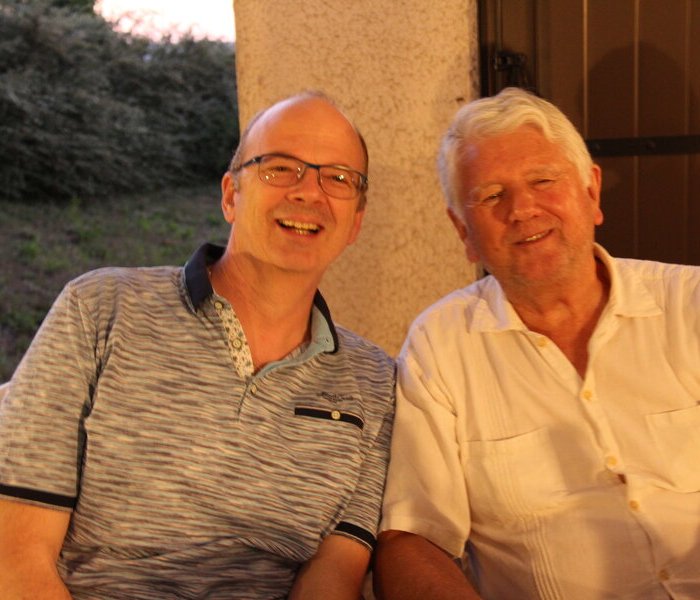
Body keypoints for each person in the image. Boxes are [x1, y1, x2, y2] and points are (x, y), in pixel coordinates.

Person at [0, 90, 395, 599]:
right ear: (231, 195)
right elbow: (15, 554)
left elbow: (334, 574)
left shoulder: (374, 381)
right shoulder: (99, 310)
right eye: (280, 168)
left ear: (356, 221)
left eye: (338, 178)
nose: (309, 192)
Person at [373, 87, 700, 599]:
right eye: (491, 195)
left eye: (543, 181)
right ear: (463, 230)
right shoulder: (441, 347)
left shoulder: (689, 305)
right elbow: (413, 538)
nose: (522, 209)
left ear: (591, 192)